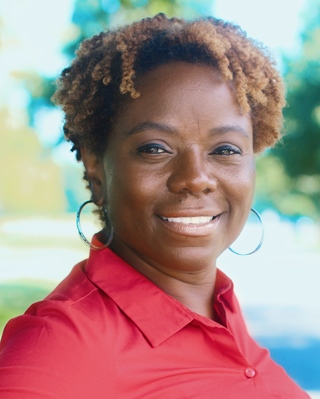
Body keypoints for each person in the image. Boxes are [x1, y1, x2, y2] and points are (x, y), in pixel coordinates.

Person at [0, 13, 310, 399]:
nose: (196, 177)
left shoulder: (221, 310)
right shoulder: (58, 346)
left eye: (225, 150)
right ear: (96, 166)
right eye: (154, 148)